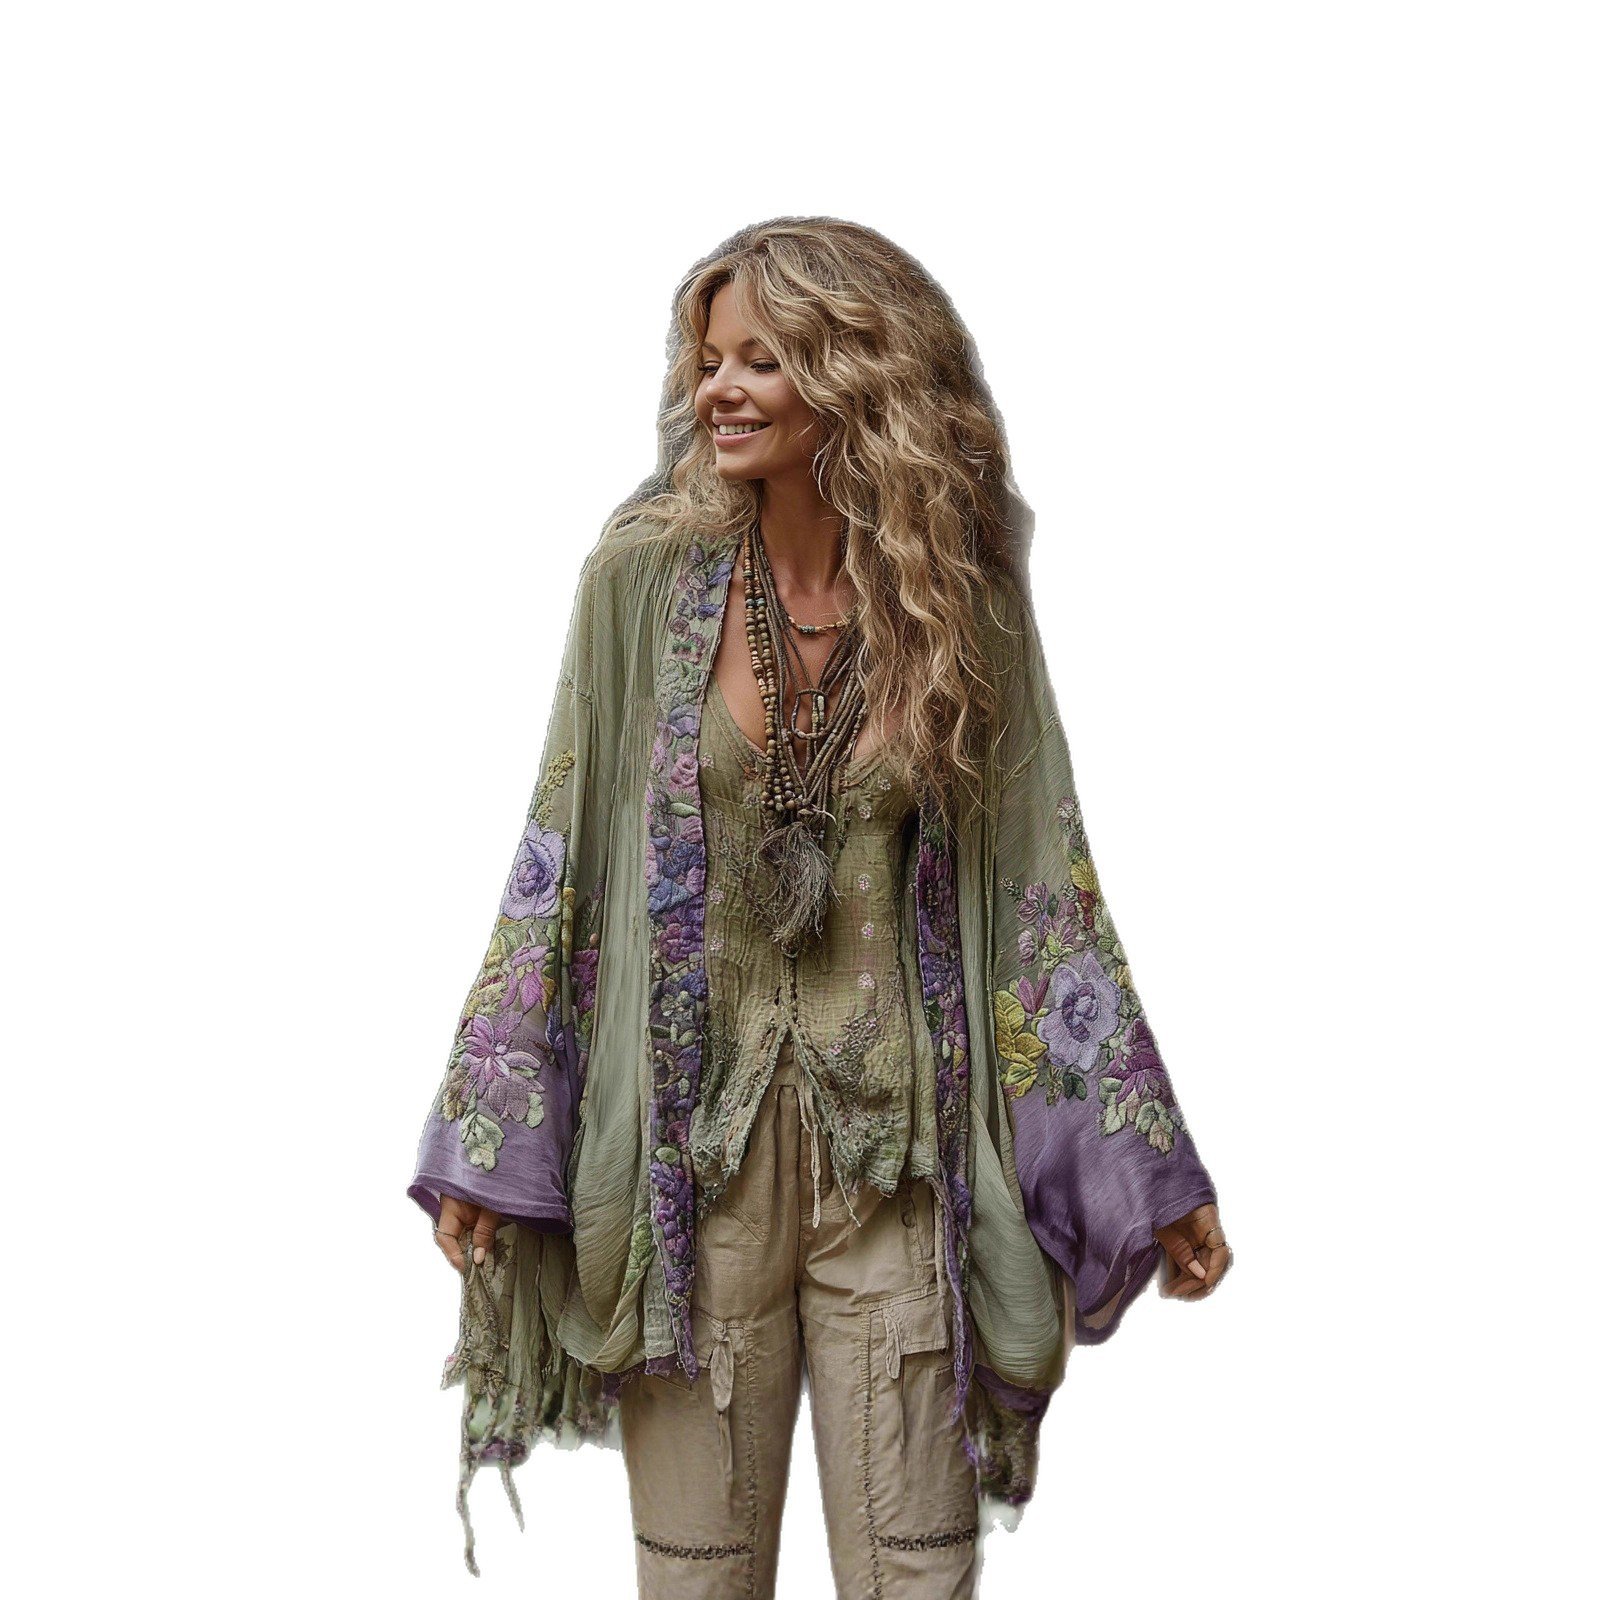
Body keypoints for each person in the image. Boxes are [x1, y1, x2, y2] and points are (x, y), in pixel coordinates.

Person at [408, 216, 1231, 1597]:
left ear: (856, 376)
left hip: (898, 1173)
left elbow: (1040, 872)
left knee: (916, 1577)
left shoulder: (956, 597)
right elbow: (564, 844)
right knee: (698, 1580)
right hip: (690, 1177)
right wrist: (498, 1133)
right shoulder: (639, 579)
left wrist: (1144, 1170)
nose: (718, 391)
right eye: (708, 360)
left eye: (762, 360)